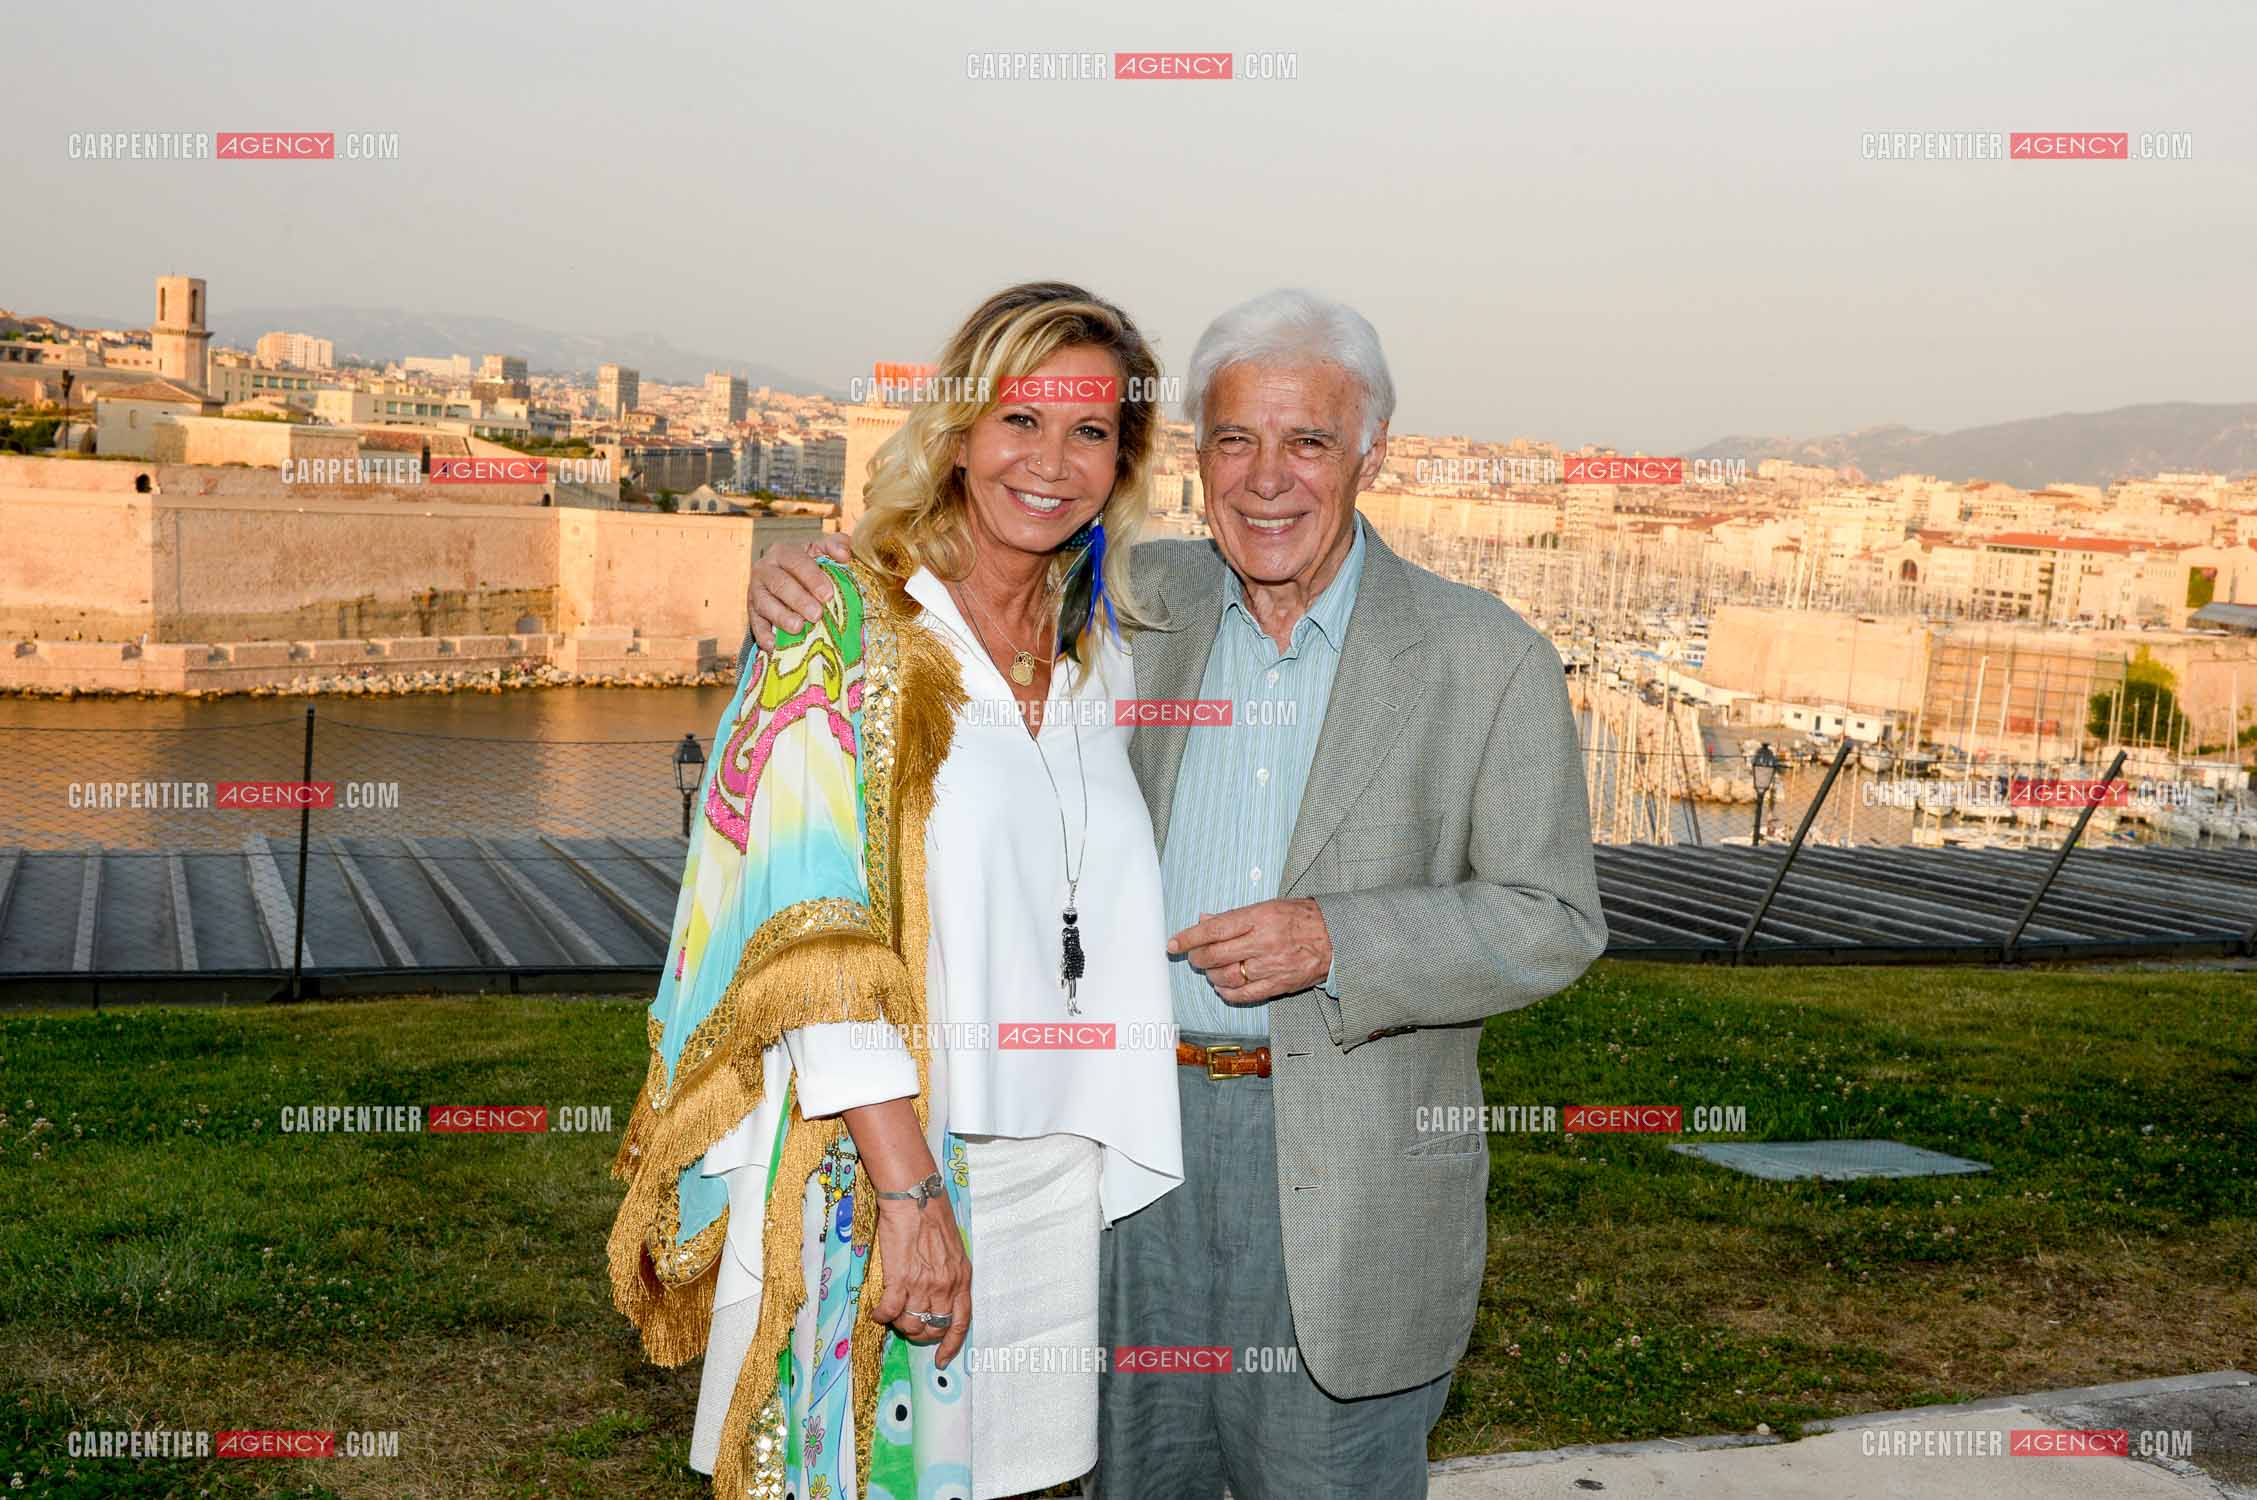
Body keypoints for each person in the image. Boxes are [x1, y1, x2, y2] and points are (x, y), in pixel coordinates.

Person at [747, 288, 1607, 1499]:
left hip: (1344, 1183)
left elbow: (1553, 919)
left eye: (1309, 442)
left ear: (1371, 456)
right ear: (1194, 455)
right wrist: (805, 582)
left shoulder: (1483, 657)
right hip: (1123, 1153)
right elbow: (945, 607)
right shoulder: (1134, 608)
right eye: (1234, 441)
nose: (1268, 479)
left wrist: (1337, 939)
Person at [612, 282, 1183, 1500]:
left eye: (1090, 432)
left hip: (1050, 1192)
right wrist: (909, 1191)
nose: (1051, 461)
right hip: (884, 1179)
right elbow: (811, 937)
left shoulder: (1103, 650)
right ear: (962, 430)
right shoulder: (850, 632)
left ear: (1123, 464)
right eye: (1020, 419)